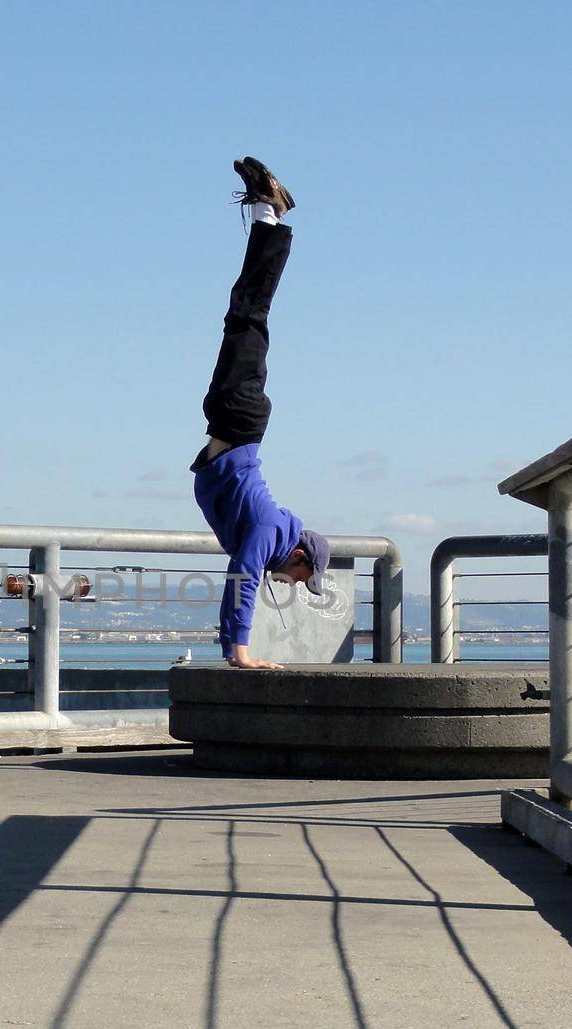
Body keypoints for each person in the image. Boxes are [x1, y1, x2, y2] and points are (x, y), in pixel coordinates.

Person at [191, 157, 330, 670]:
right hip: (240, 418)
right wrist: (242, 653)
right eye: (302, 578)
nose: (294, 584)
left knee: (242, 313)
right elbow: (244, 578)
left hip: (231, 422)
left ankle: (266, 213)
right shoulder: (272, 530)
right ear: (301, 557)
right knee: (248, 314)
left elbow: (243, 572)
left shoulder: (272, 536)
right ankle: (272, 214)